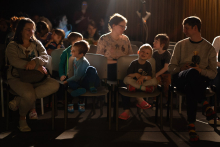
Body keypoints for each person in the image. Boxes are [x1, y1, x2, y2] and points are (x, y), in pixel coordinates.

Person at [168, 16, 217, 142]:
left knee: (191, 84)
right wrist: (182, 68)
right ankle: (204, 104)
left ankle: (191, 126)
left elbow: (213, 74)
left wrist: (200, 70)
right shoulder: (180, 45)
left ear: (195, 28)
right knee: (191, 74)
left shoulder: (208, 48)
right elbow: (171, 68)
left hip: (197, 81)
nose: (184, 30)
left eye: (186, 28)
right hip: (181, 77)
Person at [6, 18, 59, 132]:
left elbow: (45, 56)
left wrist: (35, 60)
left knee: (55, 85)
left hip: (36, 76)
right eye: (28, 30)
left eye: (33, 30)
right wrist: (35, 65)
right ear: (20, 30)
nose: (31, 32)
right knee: (29, 95)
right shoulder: (12, 45)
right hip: (17, 77)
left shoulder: (36, 43)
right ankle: (22, 119)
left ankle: (19, 100)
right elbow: (15, 61)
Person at [121, 44, 157, 120]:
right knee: (126, 79)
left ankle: (141, 88)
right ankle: (144, 90)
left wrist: (143, 77)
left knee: (154, 80)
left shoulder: (148, 65)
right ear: (138, 52)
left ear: (149, 57)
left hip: (142, 83)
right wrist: (135, 74)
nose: (144, 54)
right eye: (142, 51)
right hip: (134, 82)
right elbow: (129, 75)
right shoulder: (134, 63)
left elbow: (150, 77)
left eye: (147, 53)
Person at [63, 40, 100, 112]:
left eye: (74, 51)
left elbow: (77, 76)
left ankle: (91, 86)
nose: (71, 51)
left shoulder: (83, 62)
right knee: (70, 82)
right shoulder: (75, 59)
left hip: (89, 81)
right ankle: (80, 89)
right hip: (82, 82)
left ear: (81, 54)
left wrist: (66, 81)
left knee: (91, 69)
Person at [96, 13, 133, 81]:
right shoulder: (104, 39)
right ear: (113, 25)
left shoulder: (125, 39)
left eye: (125, 27)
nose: (124, 29)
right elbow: (100, 59)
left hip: (124, 66)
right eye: (122, 26)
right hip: (109, 67)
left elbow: (130, 55)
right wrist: (117, 62)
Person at [152, 34, 171, 110]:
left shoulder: (167, 54)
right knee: (155, 84)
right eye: (154, 41)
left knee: (166, 87)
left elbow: (166, 67)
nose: (154, 43)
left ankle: (168, 101)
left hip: (165, 74)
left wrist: (157, 74)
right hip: (157, 74)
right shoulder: (155, 54)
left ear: (162, 44)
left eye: (156, 41)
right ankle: (155, 101)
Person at [209, 36, 220, 125]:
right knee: (216, 81)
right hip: (218, 67)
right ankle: (212, 111)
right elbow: (212, 57)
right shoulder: (218, 39)